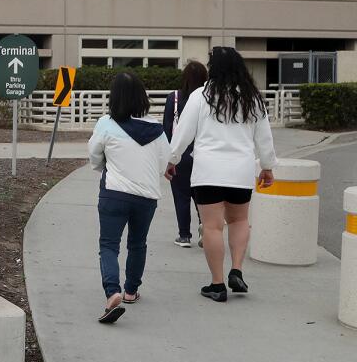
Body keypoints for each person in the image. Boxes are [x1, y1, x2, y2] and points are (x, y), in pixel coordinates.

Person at [166, 47, 276, 303]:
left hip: (208, 171)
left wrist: (171, 160)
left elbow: (183, 133)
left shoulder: (200, 96)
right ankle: (236, 270)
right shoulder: (252, 98)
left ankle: (217, 285)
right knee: (239, 221)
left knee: (213, 227)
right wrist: (268, 166)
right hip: (241, 171)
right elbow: (264, 137)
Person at [88, 72, 171, 323]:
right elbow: (163, 162)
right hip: (146, 196)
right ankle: (131, 291)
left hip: (114, 193)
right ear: (141, 97)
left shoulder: (106, 123)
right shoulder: (156, 128)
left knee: (109, 245)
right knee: (137, 243)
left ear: (115, 97)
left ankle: (112, 292)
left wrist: (105, 164)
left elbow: (94, 154)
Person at [162, 61, 208, 248]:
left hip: (180, 154)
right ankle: (205, 227)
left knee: (181, 195)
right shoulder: (208, 99)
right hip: (203, 154)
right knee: (202, 195)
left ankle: (184, 235)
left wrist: (167, 157)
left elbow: (166, 129)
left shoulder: (174, 98)